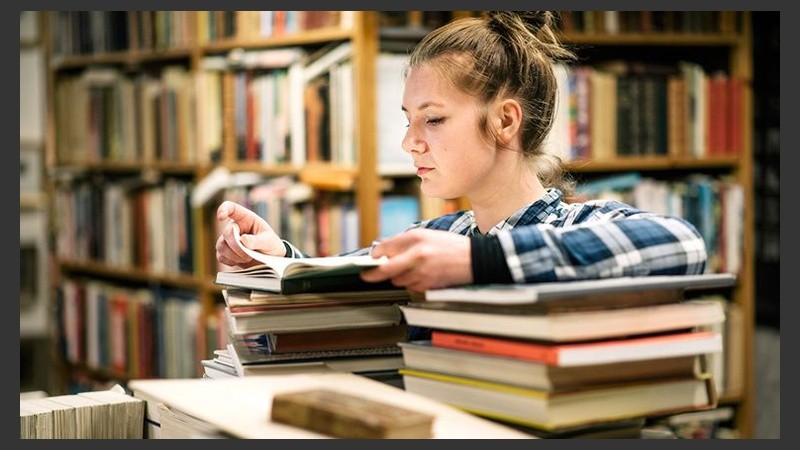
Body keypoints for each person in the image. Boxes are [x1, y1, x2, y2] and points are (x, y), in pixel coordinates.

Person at [216, 11, 707, 295]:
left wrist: (481, 260)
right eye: (408, 119)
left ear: (505, 121)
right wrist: (279, 256)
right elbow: (348, 272)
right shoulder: (442, 235)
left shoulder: (579, 223)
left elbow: (684, 245)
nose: (411, 141)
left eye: (433, 118)